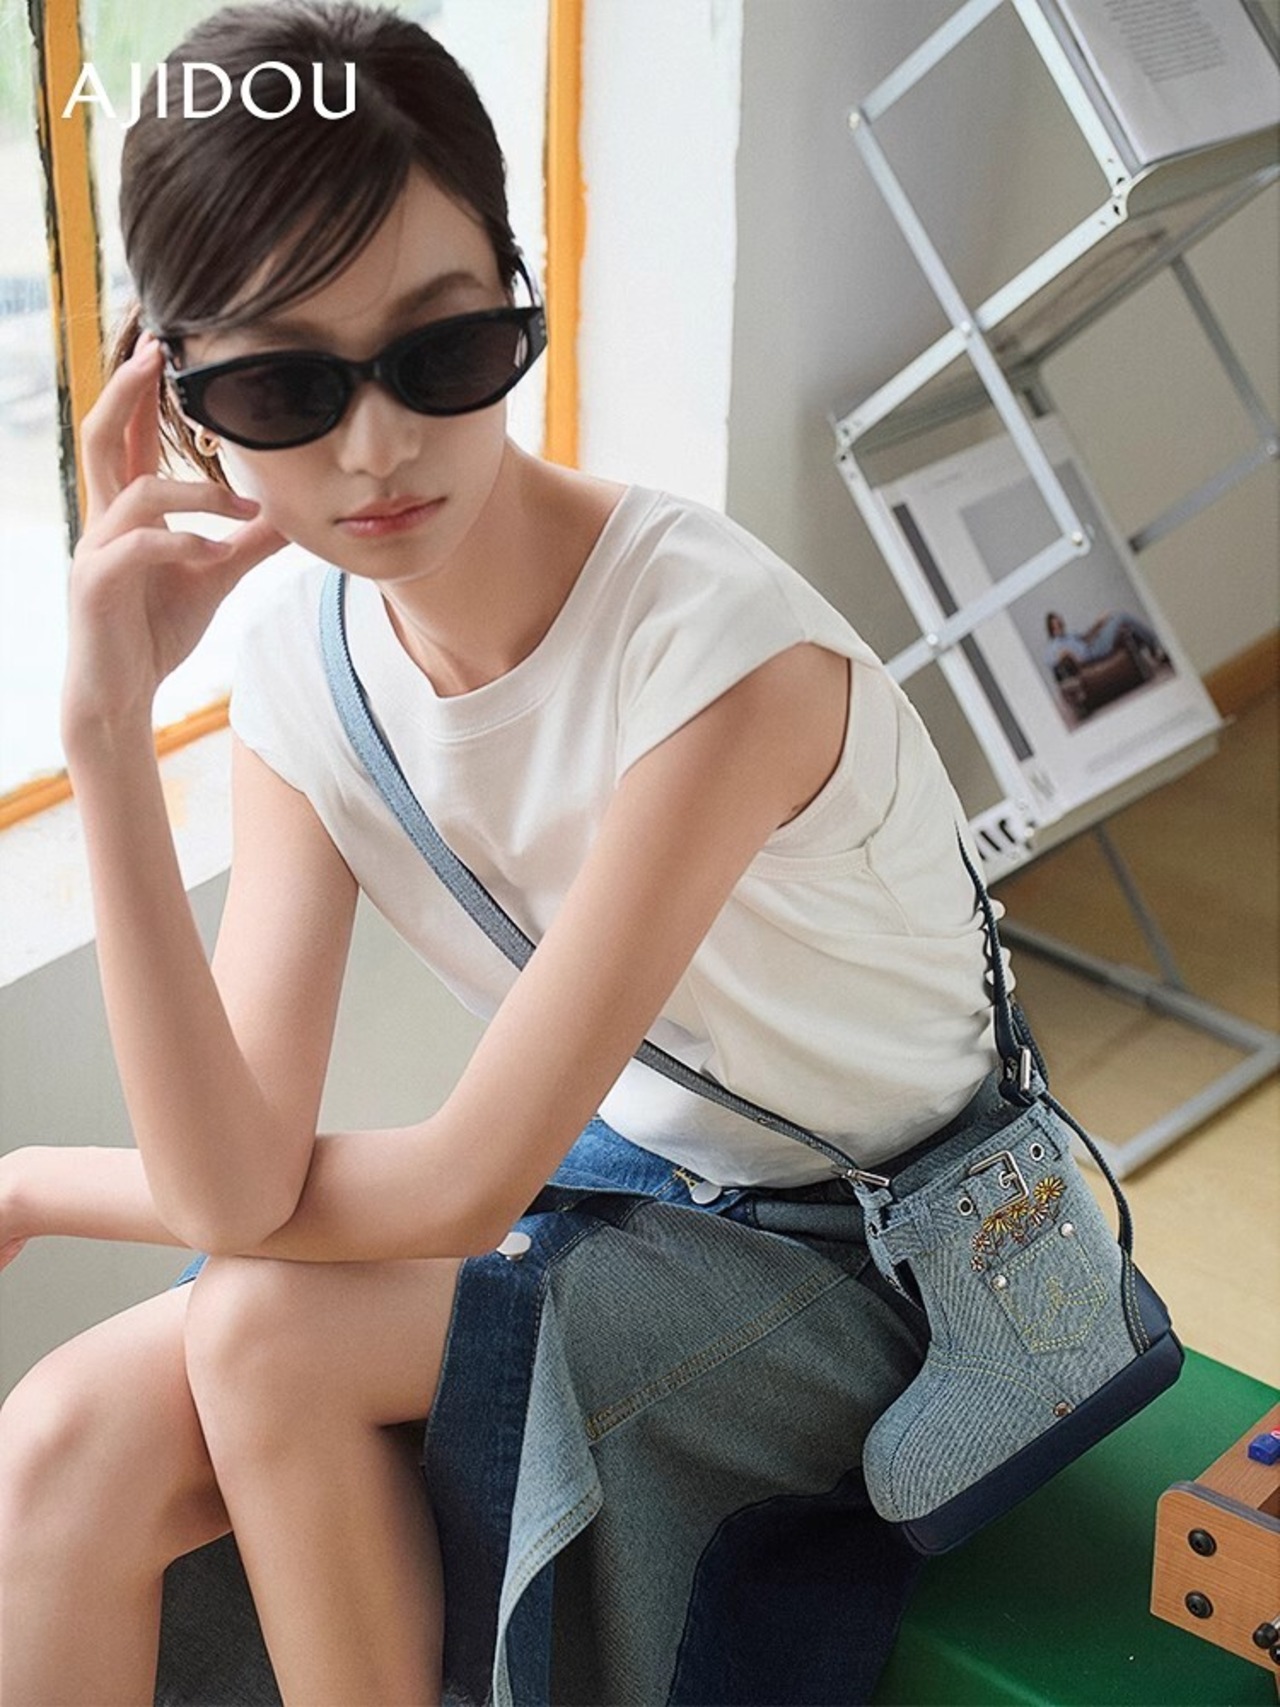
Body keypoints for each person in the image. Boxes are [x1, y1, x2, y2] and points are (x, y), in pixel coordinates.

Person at [0, 5, 1011, 1703]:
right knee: (59, 1437)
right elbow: (235, 1176)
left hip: (874, 1252)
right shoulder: (307, 663)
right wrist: (104, 729)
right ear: (176, 398)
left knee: (262, 1329)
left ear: (515, 299)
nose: (377, 447)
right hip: (639, 1191)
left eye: (443, 348)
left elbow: (460, 1182)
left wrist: (39, 1184)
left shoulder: (715, 659)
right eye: (283, 385)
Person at [1044, 608, 1166, 673]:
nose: (1060, 627)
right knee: (1122, 616)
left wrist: (1098, 623)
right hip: (1092, 654)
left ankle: (1153, 649)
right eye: (1056, 626)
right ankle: (1156, 647)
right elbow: (1049, 662)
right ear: (1051, 629)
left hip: (1093, 646)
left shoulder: (1069, 635)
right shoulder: (1054, 645)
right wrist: (1065, 654)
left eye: (1060, 623)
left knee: (1119, 622)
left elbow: (1086, 637)